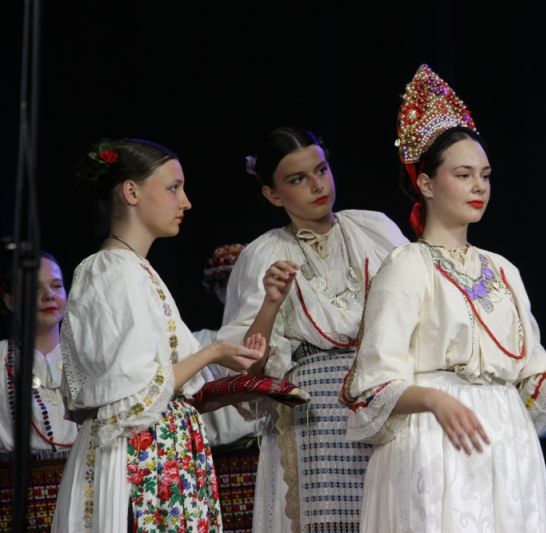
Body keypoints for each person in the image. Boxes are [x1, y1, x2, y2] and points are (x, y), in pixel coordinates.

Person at [338, 63, 546, 533]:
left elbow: (531, 383)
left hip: (506, 442)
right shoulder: (408, 265)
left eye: (485, 176)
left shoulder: (503, 270)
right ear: (426, 184)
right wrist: (435, 399)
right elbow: (372, 385)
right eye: (464, 174)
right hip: (435, 439)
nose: (479, 187)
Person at [51, 138, 265, 532]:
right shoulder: (110, 271)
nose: (186, 202)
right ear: (131, 192)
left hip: (166, 451)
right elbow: (133, 395)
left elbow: (169, 389)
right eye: (173, 188)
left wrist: (241, 388)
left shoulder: (138, 270)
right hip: (138, 456)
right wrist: (212, 352)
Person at [216, 127, 408, 533]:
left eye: (321, 170)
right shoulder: (264, 254)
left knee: (388, 515)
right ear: (273, 194)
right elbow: (247, 369)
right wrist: (271, 302)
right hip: (313, 417)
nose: (317, 185)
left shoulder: (374, 230)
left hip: (380, 400)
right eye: (297, 179)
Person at [0, 252, 78, 453]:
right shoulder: (2, 360)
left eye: (56, 286)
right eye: (34, 288)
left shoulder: (89, 357)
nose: (49, 295)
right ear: (10, 301)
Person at [194, 243, 261, 447]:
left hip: (264, 445)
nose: (239, 292)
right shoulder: (196, 342)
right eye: (227, 283)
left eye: (245, 283)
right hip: (217, 452)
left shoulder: (274, 338)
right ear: (217, 289)